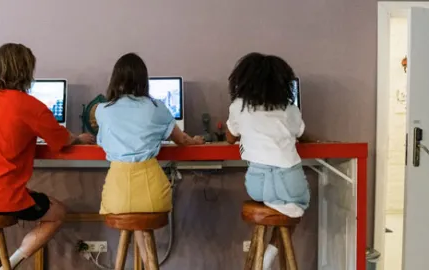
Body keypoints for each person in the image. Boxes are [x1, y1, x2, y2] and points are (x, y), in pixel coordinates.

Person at [0, 43, 95, 270]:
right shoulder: (29, 105)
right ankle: (9, 265)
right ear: (25, 72)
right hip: (1, 197)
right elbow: (62, 141)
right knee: (57, 213)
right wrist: (79, 138)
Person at [95, 53, 204, 263]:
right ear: (144, 80)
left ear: (115, 79)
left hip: (116, 196)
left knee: (133, 213)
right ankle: (149, 265)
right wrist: (197, 141)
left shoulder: (103, 111)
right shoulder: (157, 108)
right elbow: (182, 140)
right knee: (141, 216)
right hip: (152, 194)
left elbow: (103, 142)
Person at [225, 52, 310, 270]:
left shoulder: (239, 107)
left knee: (279, 204)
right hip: (288, 180)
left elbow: (229, 137)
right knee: (297, 206)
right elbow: (300, 134)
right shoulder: (290, 109)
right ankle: (269, 255)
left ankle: (262, 259)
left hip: (257, 185)